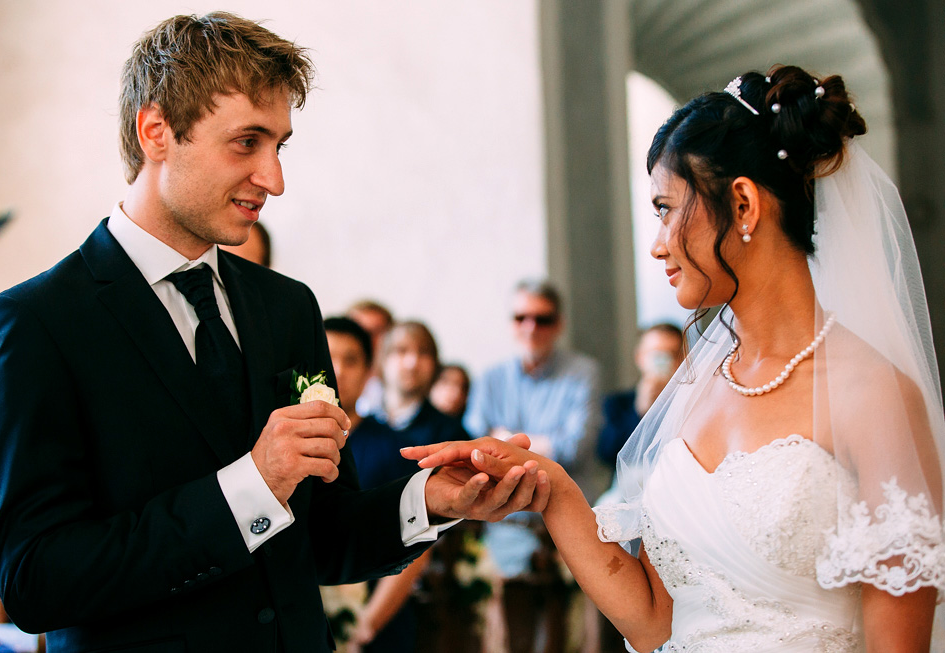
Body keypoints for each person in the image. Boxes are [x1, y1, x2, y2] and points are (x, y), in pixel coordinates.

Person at [0, 13, 547, 652]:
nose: (274, 179)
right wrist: (251, 483)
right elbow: (34, 580)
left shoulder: (287, 307)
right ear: (156, 131)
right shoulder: (35, 324)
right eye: (247, 142)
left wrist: (432, 501)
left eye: (280, 145)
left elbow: (320, 539)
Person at [405, 65, 945, 651]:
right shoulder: (696, 386)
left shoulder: (874, 395)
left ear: (742, 204)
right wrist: (553, 489)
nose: (658, 242)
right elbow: (655, 621)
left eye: (666, 208)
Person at [464, 280, 601, 653]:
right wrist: (544, 443)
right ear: (511, 323)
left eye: (542, 319)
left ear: (558, 324)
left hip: (571, 524)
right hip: (507, 526)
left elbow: (575, 447)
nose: (531, 327)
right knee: (506, 639)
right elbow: (477, 451)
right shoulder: (490, 378)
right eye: (521, 317)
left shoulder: (584, 373)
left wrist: (505, 440)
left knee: (573, 638)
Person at [326, 318, 468, 652]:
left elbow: (414, 541)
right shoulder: (292, 443)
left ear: (369, 371)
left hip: (375, 619)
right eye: (328, 357)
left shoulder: (397, 447)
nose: (339, 370)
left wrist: (365, 627)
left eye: (351, 360)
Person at [596, 323, 684, 468]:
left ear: (682, 359)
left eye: (671, 355)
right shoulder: (617, 403)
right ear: (640, 357)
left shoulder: (693, 403)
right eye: (655, 355)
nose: (662, 363)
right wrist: (639, 412)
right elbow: (608, 454)